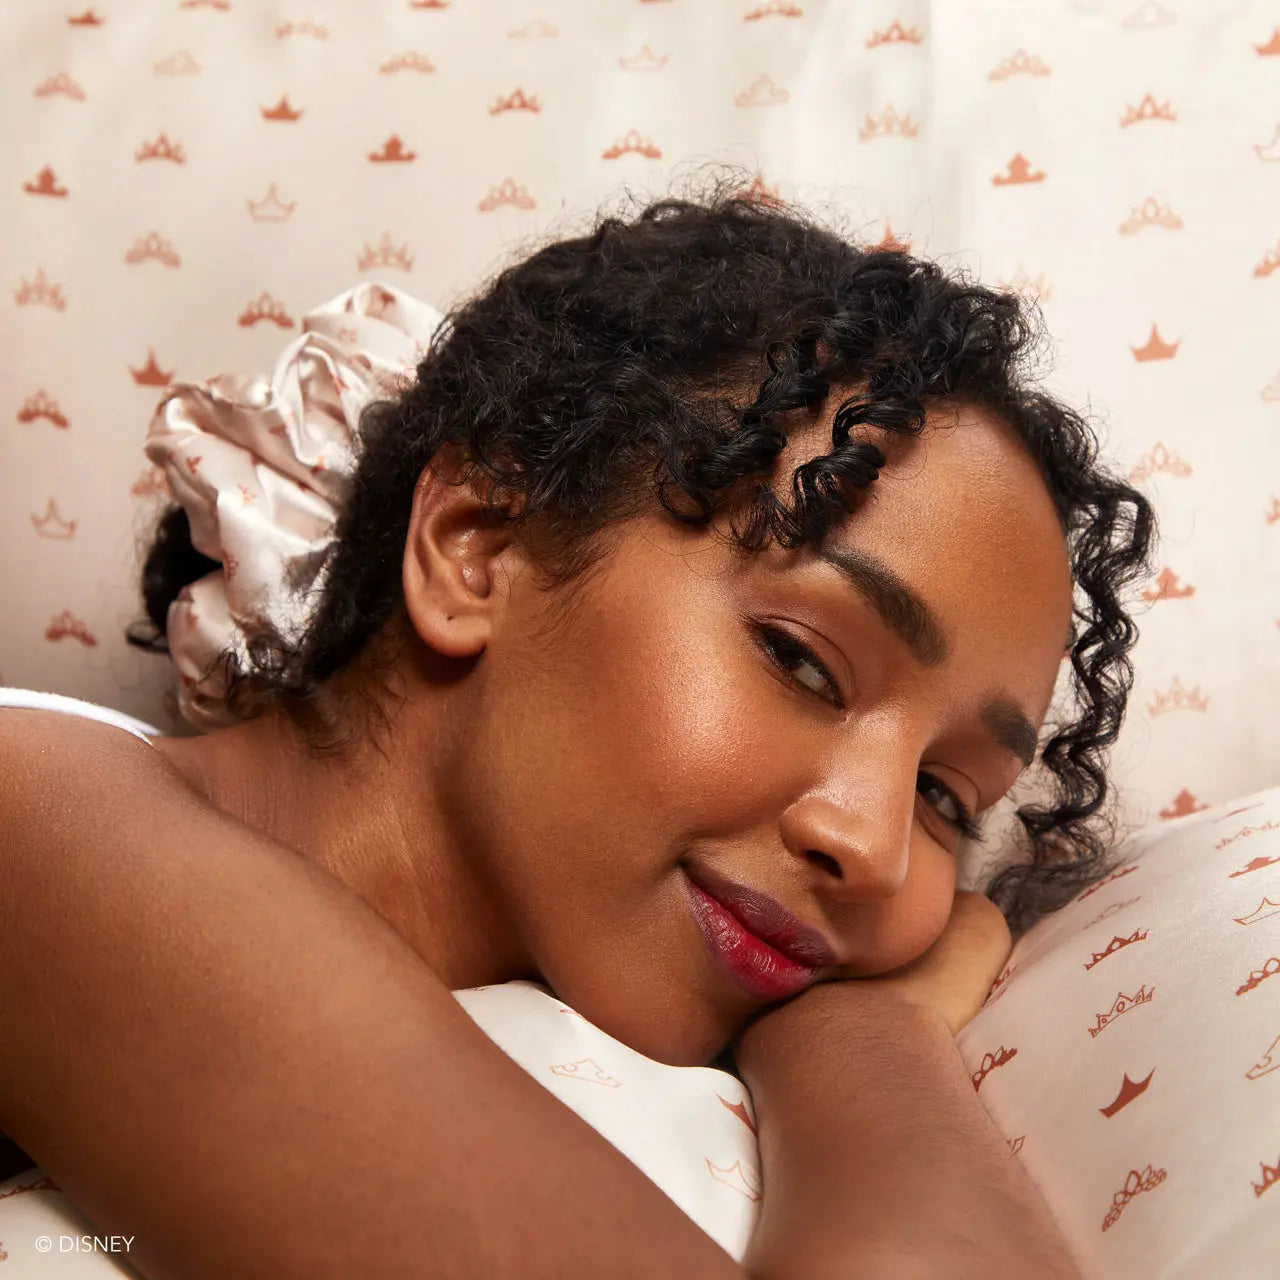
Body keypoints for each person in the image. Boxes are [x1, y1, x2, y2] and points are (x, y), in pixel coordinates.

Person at [0, 180, 1155, 1278]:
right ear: (475, 549)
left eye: (945, 796)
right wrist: (872, 1036)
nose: (875, 849)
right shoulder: (39, 816)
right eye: (801, 659)